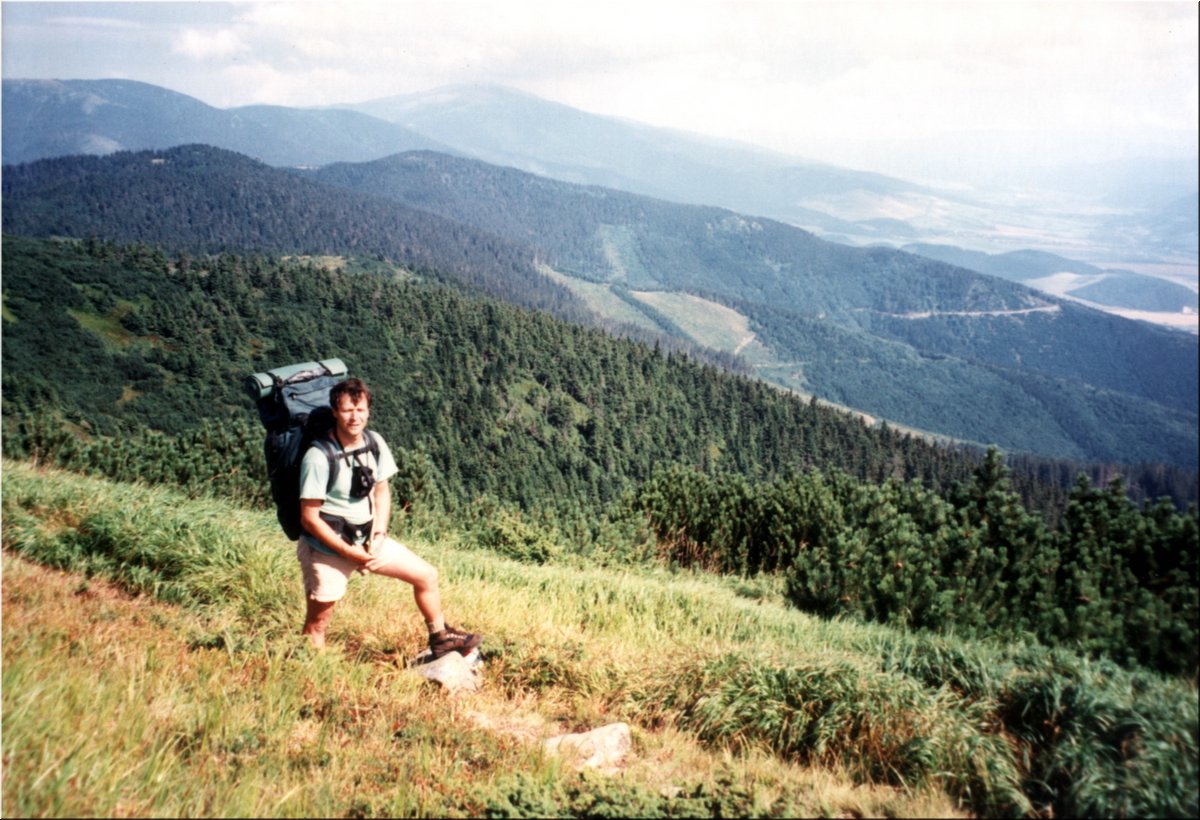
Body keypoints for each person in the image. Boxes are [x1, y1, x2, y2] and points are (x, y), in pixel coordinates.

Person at [296, 376, 482, 658]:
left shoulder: (374, 442)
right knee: (318, 623)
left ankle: (440, 636)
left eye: (360, 410)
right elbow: (309, 518)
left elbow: (382, 491)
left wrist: (379, 534)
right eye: (347, 410)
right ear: (335, 411)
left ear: (368, 410)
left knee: (426, 576)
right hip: (327, 549)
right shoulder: (318, 457)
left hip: (368, 542)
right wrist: (349, 552)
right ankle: (309, 678)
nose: (354, 417)